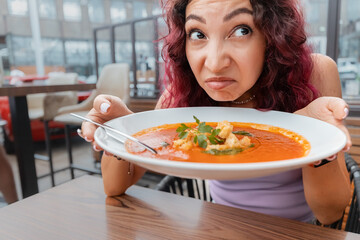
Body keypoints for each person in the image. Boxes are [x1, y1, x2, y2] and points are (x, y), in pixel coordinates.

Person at [80, 0, 352, 225]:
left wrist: (317, 142)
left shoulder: (315, 72)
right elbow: (113, 187)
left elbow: (329, 214)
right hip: (214, 228)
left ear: (271, 35)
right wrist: (122, 131)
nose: (215, 63)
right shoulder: (182, 94)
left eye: (241, 30)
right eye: (198, 34)